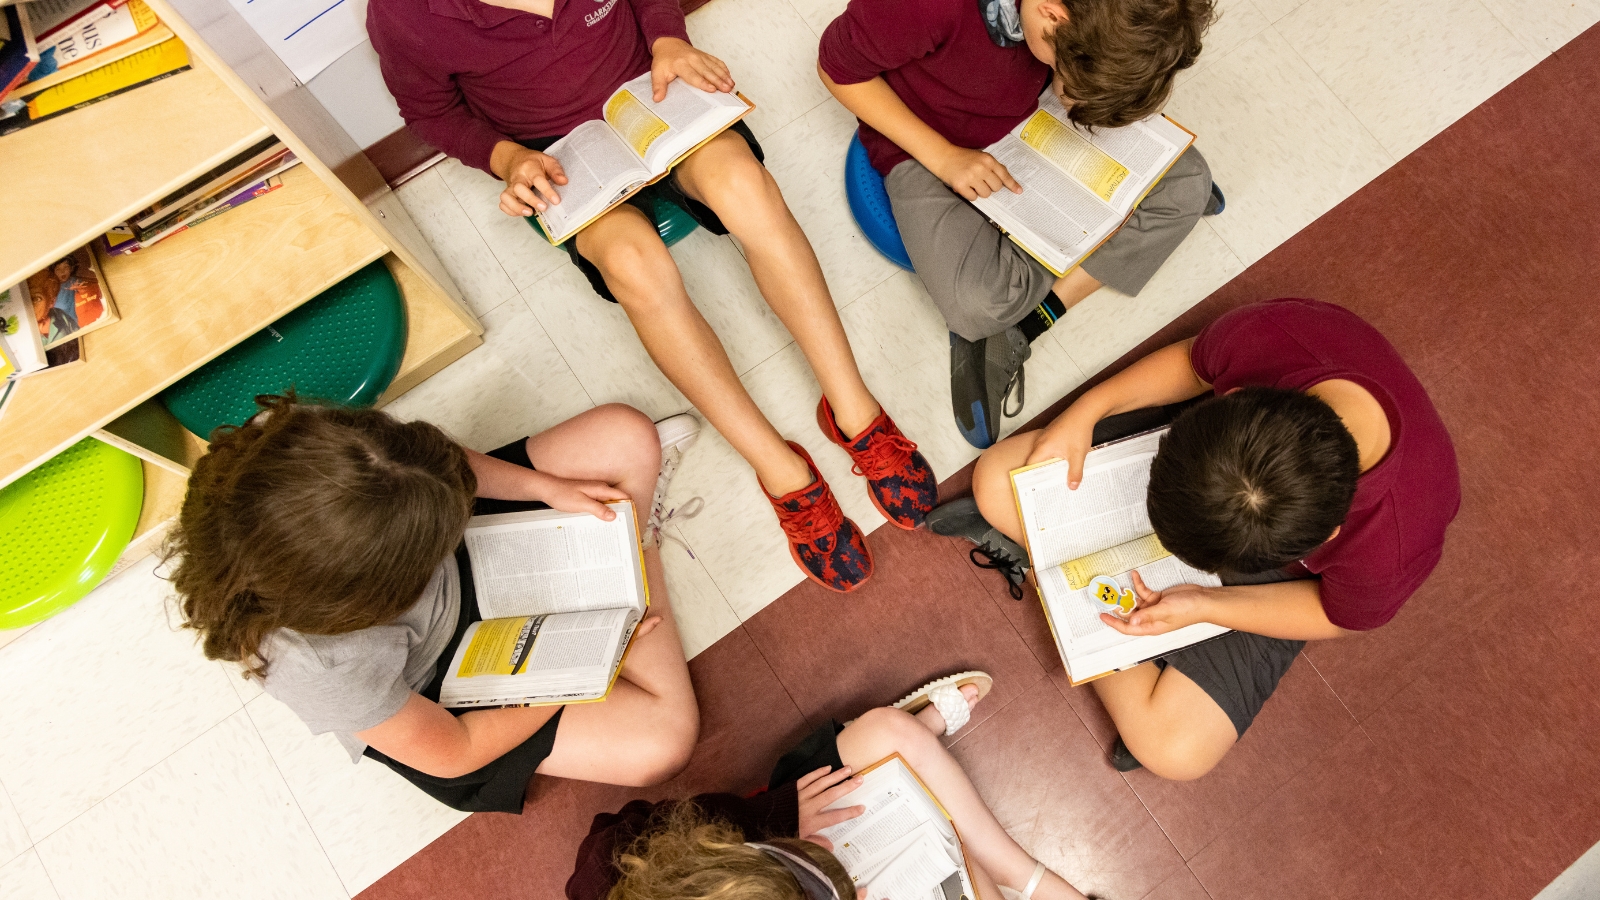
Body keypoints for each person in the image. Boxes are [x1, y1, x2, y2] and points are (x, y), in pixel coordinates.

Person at [368, 0, 938, 593]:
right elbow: (430, 109)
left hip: (653, 90)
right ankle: (778, 465)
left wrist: (668, 39)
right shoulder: (404, 14)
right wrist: (508, 158)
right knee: (632, 263)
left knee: (745, 188)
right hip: (555, 153)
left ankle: (854, 411)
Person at [930, 299, 1460, 779]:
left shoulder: (1394, 542)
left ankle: (1048, 569)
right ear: (1239, 399)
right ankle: (1088, 608)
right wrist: (1084, 414)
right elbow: (1191, 363)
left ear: (1326, 538)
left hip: (1263, 574)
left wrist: (1209, 604)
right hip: (1206, 478)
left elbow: (1335, 615)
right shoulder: (1280, 335)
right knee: (998, 478)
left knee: (1175, 751)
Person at [169, 394, 708, 812]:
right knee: (662, 745)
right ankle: (639, 548)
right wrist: (585, 670)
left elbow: (443, 469)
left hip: (424, 528)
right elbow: (455, 751)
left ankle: (627, 548)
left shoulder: (334, 454)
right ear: (374, 595)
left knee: (626, 434)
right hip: (443, 686)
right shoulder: (318, 667)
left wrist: (543, 488)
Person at [819, 0, 1221, 449]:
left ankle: (1024, 326)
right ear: (1052, 13)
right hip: (930, 142)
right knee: (978, 304)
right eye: (1070, 68)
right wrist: (944, 158)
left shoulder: (1075, 29)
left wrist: (1072, 85)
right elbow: (837, 69)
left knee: (1188, 183)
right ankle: (1103, 233)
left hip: (1032, 109)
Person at [566, 672, 1093, 900]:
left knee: (887, 734)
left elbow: (610, 831)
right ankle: (917, 761)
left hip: (780, 815)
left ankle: (1019, 873)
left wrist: (780, 821)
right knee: (945, 836)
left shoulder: (616, 867)